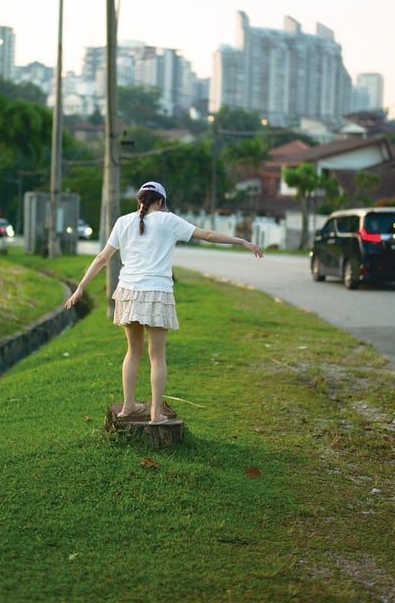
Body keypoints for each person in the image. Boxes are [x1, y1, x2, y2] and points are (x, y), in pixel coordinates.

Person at [65, 181, 264, 425]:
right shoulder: (168, 221)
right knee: (157, 356)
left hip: (128, 292)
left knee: (133, 351)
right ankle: (155, 413)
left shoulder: (123, 222)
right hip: (157, 292)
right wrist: (242, 242)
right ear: (160, 201)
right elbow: (208, 235)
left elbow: (102, 257)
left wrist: (80, 288)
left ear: (140, 200)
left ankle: (128, 405)